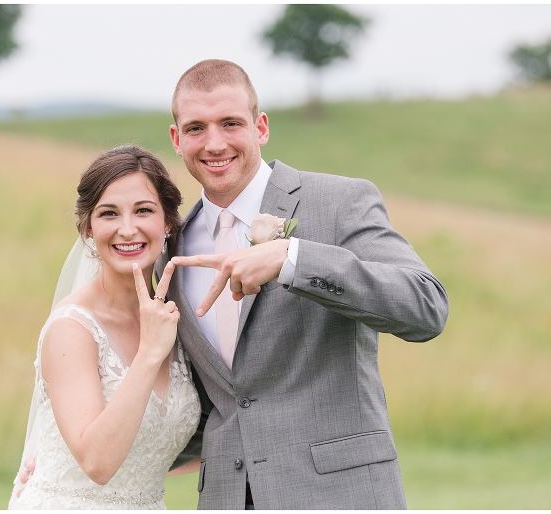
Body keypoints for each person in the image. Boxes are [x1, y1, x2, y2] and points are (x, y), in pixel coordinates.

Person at [157, 59, 450, 509]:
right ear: (177, 139)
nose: (214, 143)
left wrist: (292, 257)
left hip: (340, 495)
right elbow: (216, 399)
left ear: (261, 127)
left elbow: (425, 305)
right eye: (196, 127)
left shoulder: (339, 201)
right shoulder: (169, 248)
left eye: (230, 123)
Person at [8, 145, 201, 510]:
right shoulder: (71, 329)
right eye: (109, 213)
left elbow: (173, 443)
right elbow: (97, 463)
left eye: (143, 211)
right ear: (88, 227)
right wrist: (149, 354)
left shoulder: (179, 317)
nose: (127, 229)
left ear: (168, 222)